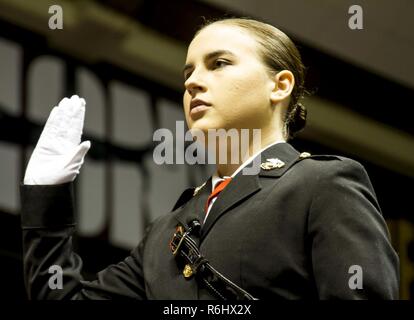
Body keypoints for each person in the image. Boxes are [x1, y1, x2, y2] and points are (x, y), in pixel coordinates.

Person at [20, 17, 399, 300]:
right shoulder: (166, 233)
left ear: (279, 85)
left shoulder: (322, 185)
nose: (191, 82)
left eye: (218, 63)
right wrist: (46, 197)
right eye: (188, 72)